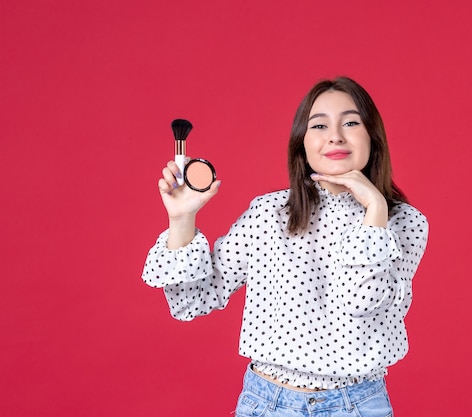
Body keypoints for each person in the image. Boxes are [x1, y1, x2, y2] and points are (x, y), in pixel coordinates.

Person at [142, 76, 428, 416]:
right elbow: (190, 301)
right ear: (302, 144)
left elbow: (361, 301)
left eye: (351, 122)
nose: (335, 135)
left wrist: (375, 209)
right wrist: (181, 219)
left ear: (372, 137)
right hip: (267, 404)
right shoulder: (268, 213)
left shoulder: (403, 223)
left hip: (358, 406)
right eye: (319, 125)